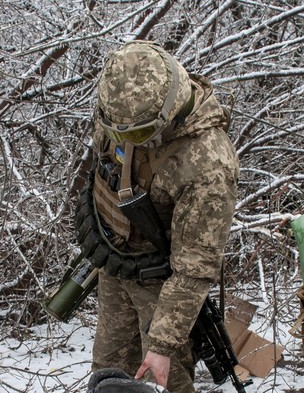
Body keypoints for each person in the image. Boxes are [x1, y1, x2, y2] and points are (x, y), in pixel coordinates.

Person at [82, 40, 239, 393]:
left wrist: (163, 344)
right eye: (115, 129)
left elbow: (195, 266)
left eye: (137, 134)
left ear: (170, 110)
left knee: (160, 384)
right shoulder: (121, 112)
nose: (124, 139)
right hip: (117, 264)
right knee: (107, 379)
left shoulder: (206, 163)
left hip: (165, 288)